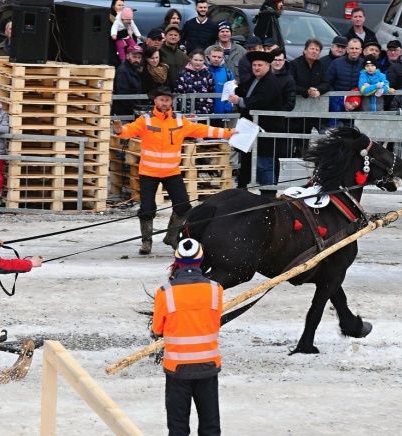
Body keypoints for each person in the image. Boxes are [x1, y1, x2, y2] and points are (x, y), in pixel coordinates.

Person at [112, 87, 235, 255]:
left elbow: (203, 130)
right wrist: (120, 131)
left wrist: (228, 133)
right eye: (161, 100)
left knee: (183, 207)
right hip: (149, 172)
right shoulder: (145, 120)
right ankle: (146, 242)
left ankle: (171, 237)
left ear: (171, 101)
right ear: (155, 101)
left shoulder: (179, 121)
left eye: (167, 100)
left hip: (172, 172)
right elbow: (129, 130)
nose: (165, 103)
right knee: (147, 209)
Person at [152, 238, 223, 436]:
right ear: (201, 260)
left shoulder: (165, 292)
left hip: (177, 369)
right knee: (210, 426)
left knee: (178, 427)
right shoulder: (215, 289)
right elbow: (215, 323)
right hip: (208, 366)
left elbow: (158, 329)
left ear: (177, 261)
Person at [228, 51, 283, 191]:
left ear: (267, 66)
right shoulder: (254, 79)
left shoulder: (271, 81)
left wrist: (240, 101)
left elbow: (261, 100)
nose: (256, 68)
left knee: (264, 163)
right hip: (250, 128)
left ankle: (268, 194)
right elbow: (243, 89)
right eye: (254, 65)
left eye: (260, 65)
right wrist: (235, 88)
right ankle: (242, 190)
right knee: (246, 161)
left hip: (266, 129)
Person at [289, 38, 328, 154]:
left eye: (317, 49)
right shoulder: (295, 64)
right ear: (305, 50)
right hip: (296, 110)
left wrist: (318, 90)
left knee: (307, 141)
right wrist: (306, 91)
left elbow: (327, 83)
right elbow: (291, 84)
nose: (314, 51)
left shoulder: (320, 65)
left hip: (313, 109)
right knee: (293, 141)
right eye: (312, 48)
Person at [265, 48, 295, 196]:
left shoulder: (288, 79)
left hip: (277, 123)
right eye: (275, 59)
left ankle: (272, 188)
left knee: (273, 158)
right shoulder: (264, 76)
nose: (277, 62)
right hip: (262, 122)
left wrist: (273, 110)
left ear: (284, 61)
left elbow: (290, 103)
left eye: (280, 60)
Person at [325, 38, 364, 123]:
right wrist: (339, 99)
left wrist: (354, 101)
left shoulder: (365, 65)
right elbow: (327, 82)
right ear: (347, 50)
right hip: (337, 104)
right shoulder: (336, 63)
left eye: (357, 48)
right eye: (352, 48)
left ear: (361, 50)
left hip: (357, 104)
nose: (354, 51)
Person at [175, 50, 214, 115]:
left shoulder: (208, 74)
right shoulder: (183, 74)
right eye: (195, 60)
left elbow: (211, 91)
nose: (198, 62)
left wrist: (209, 107)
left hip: (204, 110)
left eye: (200, 60)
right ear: (190, 59)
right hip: (187, 110)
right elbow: (178, 92)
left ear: (204, 61)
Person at [111, 44, 144, 117]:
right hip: (124, 113)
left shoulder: (135, 69)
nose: (137, 60)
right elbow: (123, 93)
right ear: (127, 56)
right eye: (134, 57)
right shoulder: (123, 71)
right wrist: (133, 109)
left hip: (132, 112)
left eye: (139, 58)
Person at [206, 45, 234, 125]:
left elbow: (231, 91)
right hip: (205, 112)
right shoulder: (203, 71)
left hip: (221, 112)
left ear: (222, 58)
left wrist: (228, 108)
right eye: (214, 56)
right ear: (208, 56)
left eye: (219, 57)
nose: (216, 59)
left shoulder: (227, 73)